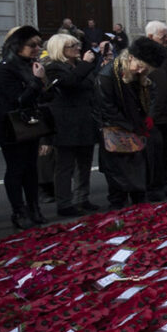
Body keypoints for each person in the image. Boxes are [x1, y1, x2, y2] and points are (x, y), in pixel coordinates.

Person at [97, 38, 164, 208]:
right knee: (118, 173)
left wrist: (149, 116)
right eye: (140, 66)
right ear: (130, 58)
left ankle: (139, 202)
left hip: (136, 128)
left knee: (139, 169)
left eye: (146, 69)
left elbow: (153, 94)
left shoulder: (141, 76)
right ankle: (118, 205)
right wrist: (131, 127)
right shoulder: (107, 74)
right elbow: (106, 107)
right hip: (116, 128)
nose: (141, 71)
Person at [0, 25, 49, 229]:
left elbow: (43, 96)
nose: (36, 48)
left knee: (31, 168)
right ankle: (19, 210)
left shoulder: (31, 65)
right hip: (12, 125)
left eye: (39, 45)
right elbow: (17, 100)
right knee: (16, 169)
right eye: (32, 45)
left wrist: (42, 80)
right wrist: (36, 81)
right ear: (18, 46)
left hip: (31, 124)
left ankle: (34, 208)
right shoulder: (5, 67)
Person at [44, 32, 102, 217]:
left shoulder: (79, 66)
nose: (78, 48)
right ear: (60, 49)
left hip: (85, 120)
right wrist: (85, 64)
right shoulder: (54, 68)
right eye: (73, 46)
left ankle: (82, 198)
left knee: (84, 163)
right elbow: (69, 83)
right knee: (65, 165)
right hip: (65, 123)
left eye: (78, 45)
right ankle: (64, 202)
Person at [142, 21, 167, 200]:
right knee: (153, 153)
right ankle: (152, 185)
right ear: (150, 37)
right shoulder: (141, 54)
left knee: (166, 152)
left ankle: (164, 181)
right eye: (163, 36)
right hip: (151, 114)